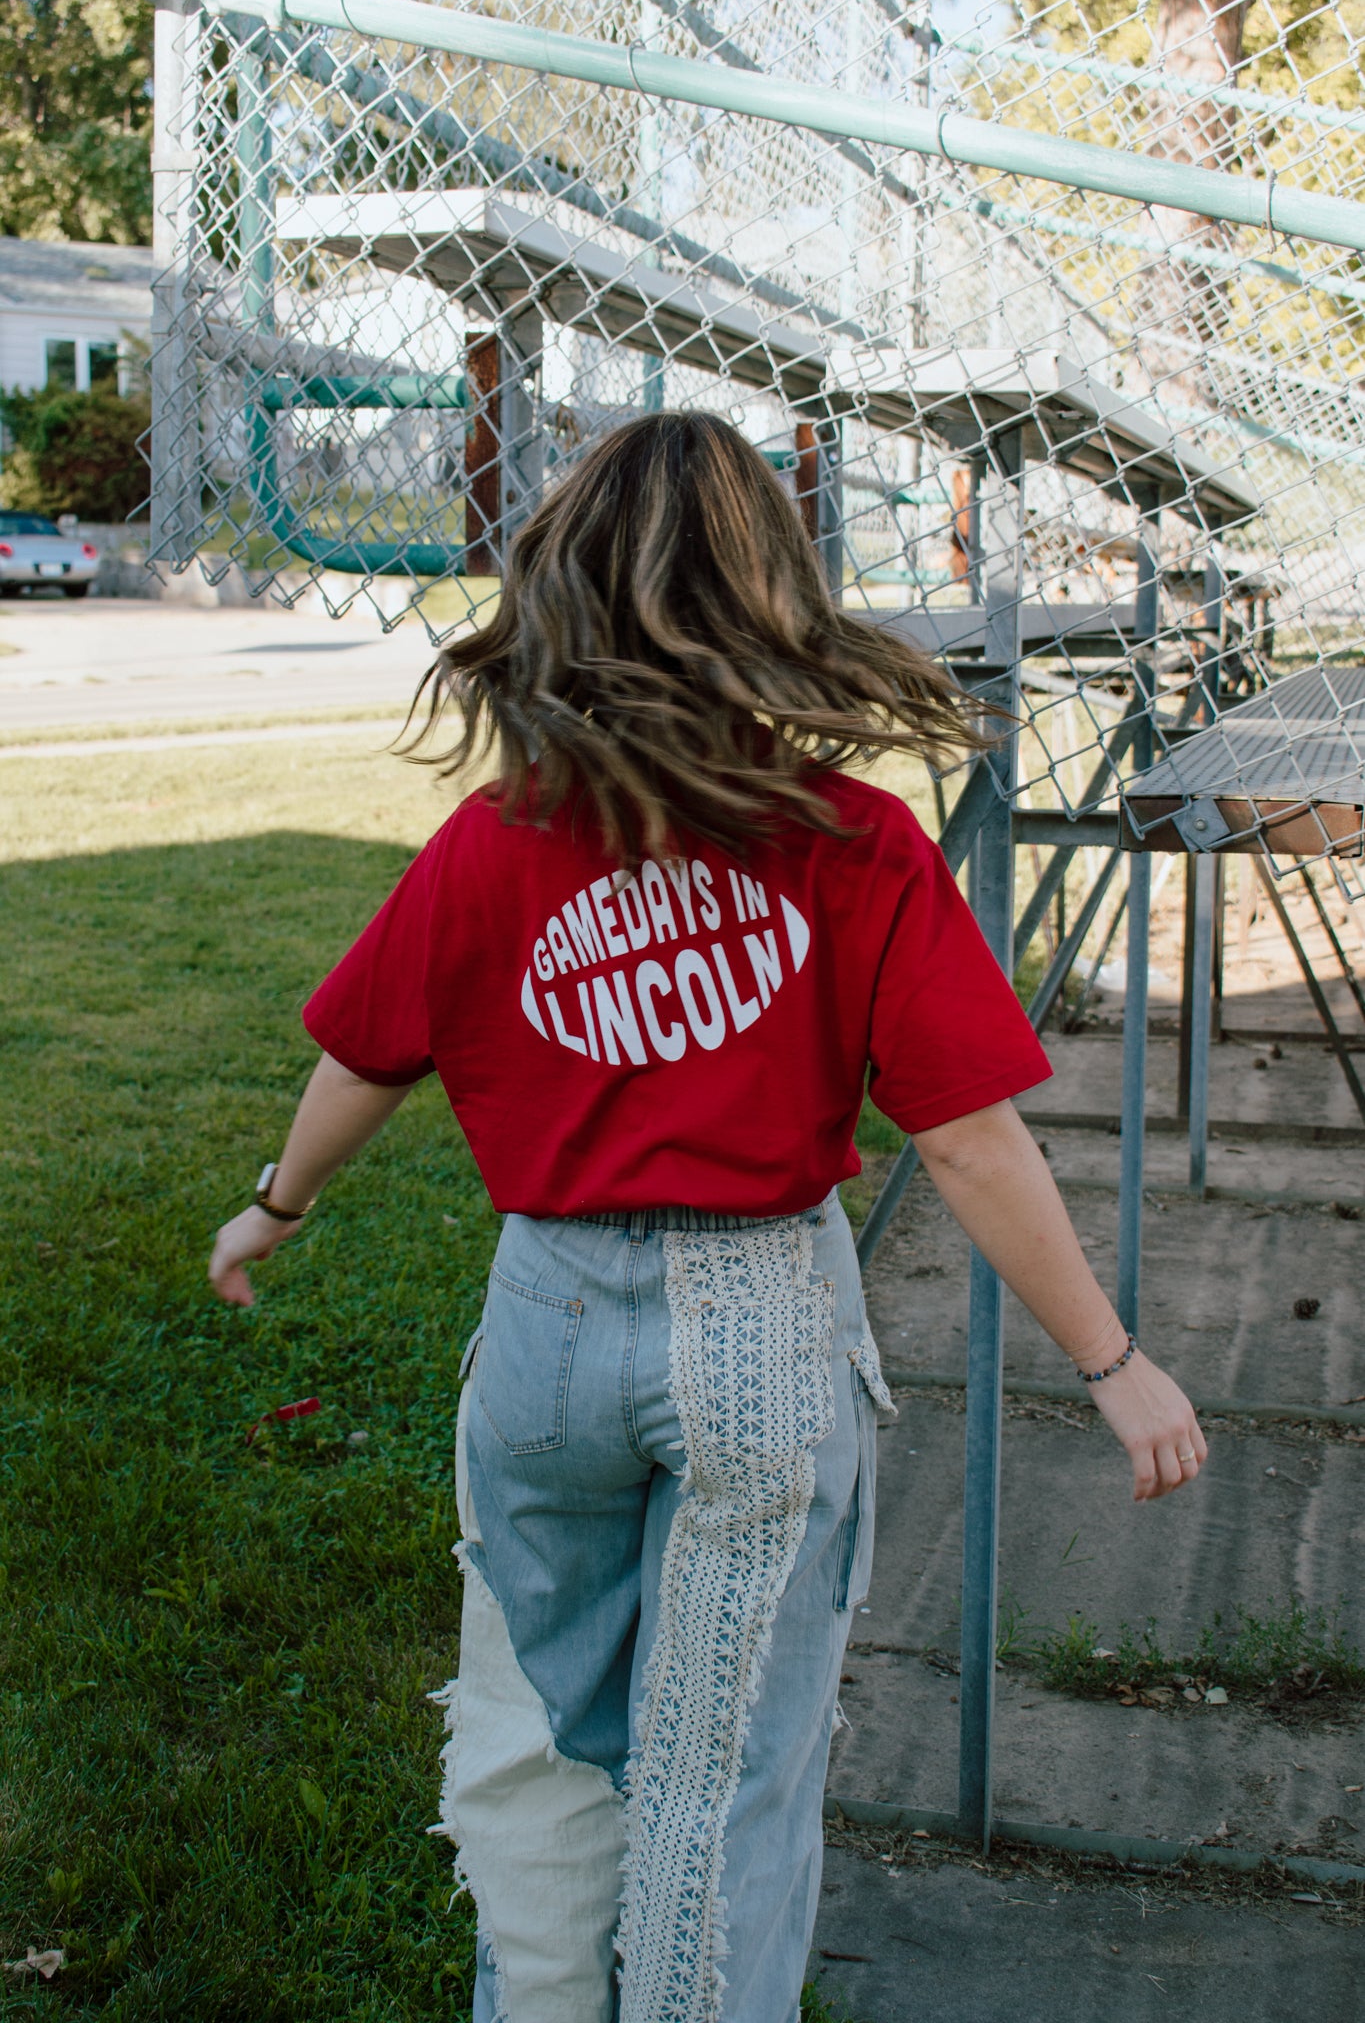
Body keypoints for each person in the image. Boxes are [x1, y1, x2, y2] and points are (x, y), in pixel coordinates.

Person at [209, 411, 1207, 2023]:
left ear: (563, 594)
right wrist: (1108, 1359)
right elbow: (960, 1140)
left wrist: (276, 1206)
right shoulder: (850, 841)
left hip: (544, 1325)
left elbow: (360, 1061)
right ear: (771, 594)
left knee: (535, 1735)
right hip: (755, 1327)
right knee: (724, 1769)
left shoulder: (495, 839)